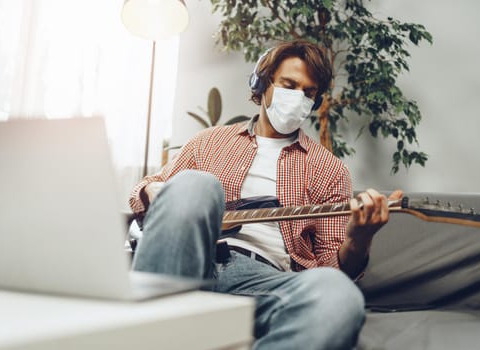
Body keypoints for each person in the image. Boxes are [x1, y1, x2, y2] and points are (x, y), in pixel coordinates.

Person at [129, 40, 402, 349]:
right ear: (262, 83)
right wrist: (154, 190)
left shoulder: (330, 169)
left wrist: (359, 238)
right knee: (197, 184)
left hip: (264, 280)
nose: (297, 98)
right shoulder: (207, 142)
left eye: (308, 93)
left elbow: (331, 267)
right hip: (187, 261)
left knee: (337, 293)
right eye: (289, 85)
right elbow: (141, 195)